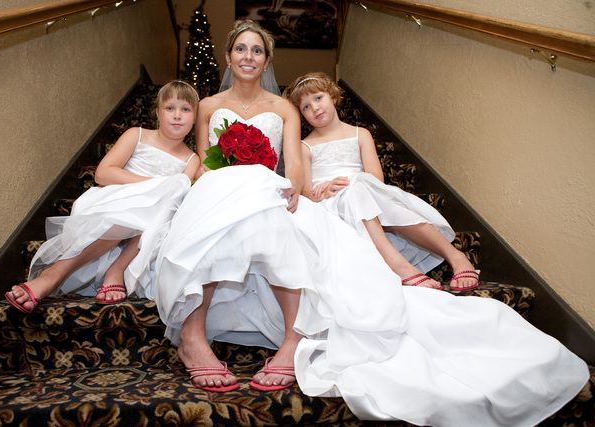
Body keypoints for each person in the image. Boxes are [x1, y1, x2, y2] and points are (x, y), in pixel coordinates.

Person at [153, 19, 588, 426]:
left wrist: (292, 190)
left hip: (271, 186)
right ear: (228, 56)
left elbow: (295, 166)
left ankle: (292, 339)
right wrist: (219, 182)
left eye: (257, 51)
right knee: (216, 207)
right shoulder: (207, 105)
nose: (248, 57)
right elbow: (203, 164)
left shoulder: (283, 108)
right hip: (222, 184)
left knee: (280, 225)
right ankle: (193, 338)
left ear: (267, 61)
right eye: (241, 49)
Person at [5, 81, 200, 313]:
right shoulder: (136, 135)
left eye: (186, 110)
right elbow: (103, 173)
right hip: (116, 200)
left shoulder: (191, 159)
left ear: (195, 117)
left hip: (155, 219)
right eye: (170, 108)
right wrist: (156, 188)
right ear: (157, 111)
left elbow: (177, 198)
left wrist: (160, 194)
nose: (178, 116)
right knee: (140, 208)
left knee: (164, 211)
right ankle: (54, 274)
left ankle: (116, 268)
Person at [283, 72, 477, 291]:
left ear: (332, 96)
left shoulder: (361, 134)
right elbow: (307, 192)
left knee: (361, 191)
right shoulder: (305, 146)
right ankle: (399, 266)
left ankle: (456, 256)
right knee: (355, 193)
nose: (315, 108)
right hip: (332, 207)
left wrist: (353, 183)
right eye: (306, 107)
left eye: (318, 98)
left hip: (368, 194)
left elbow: (376, 178)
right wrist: (326, 189)